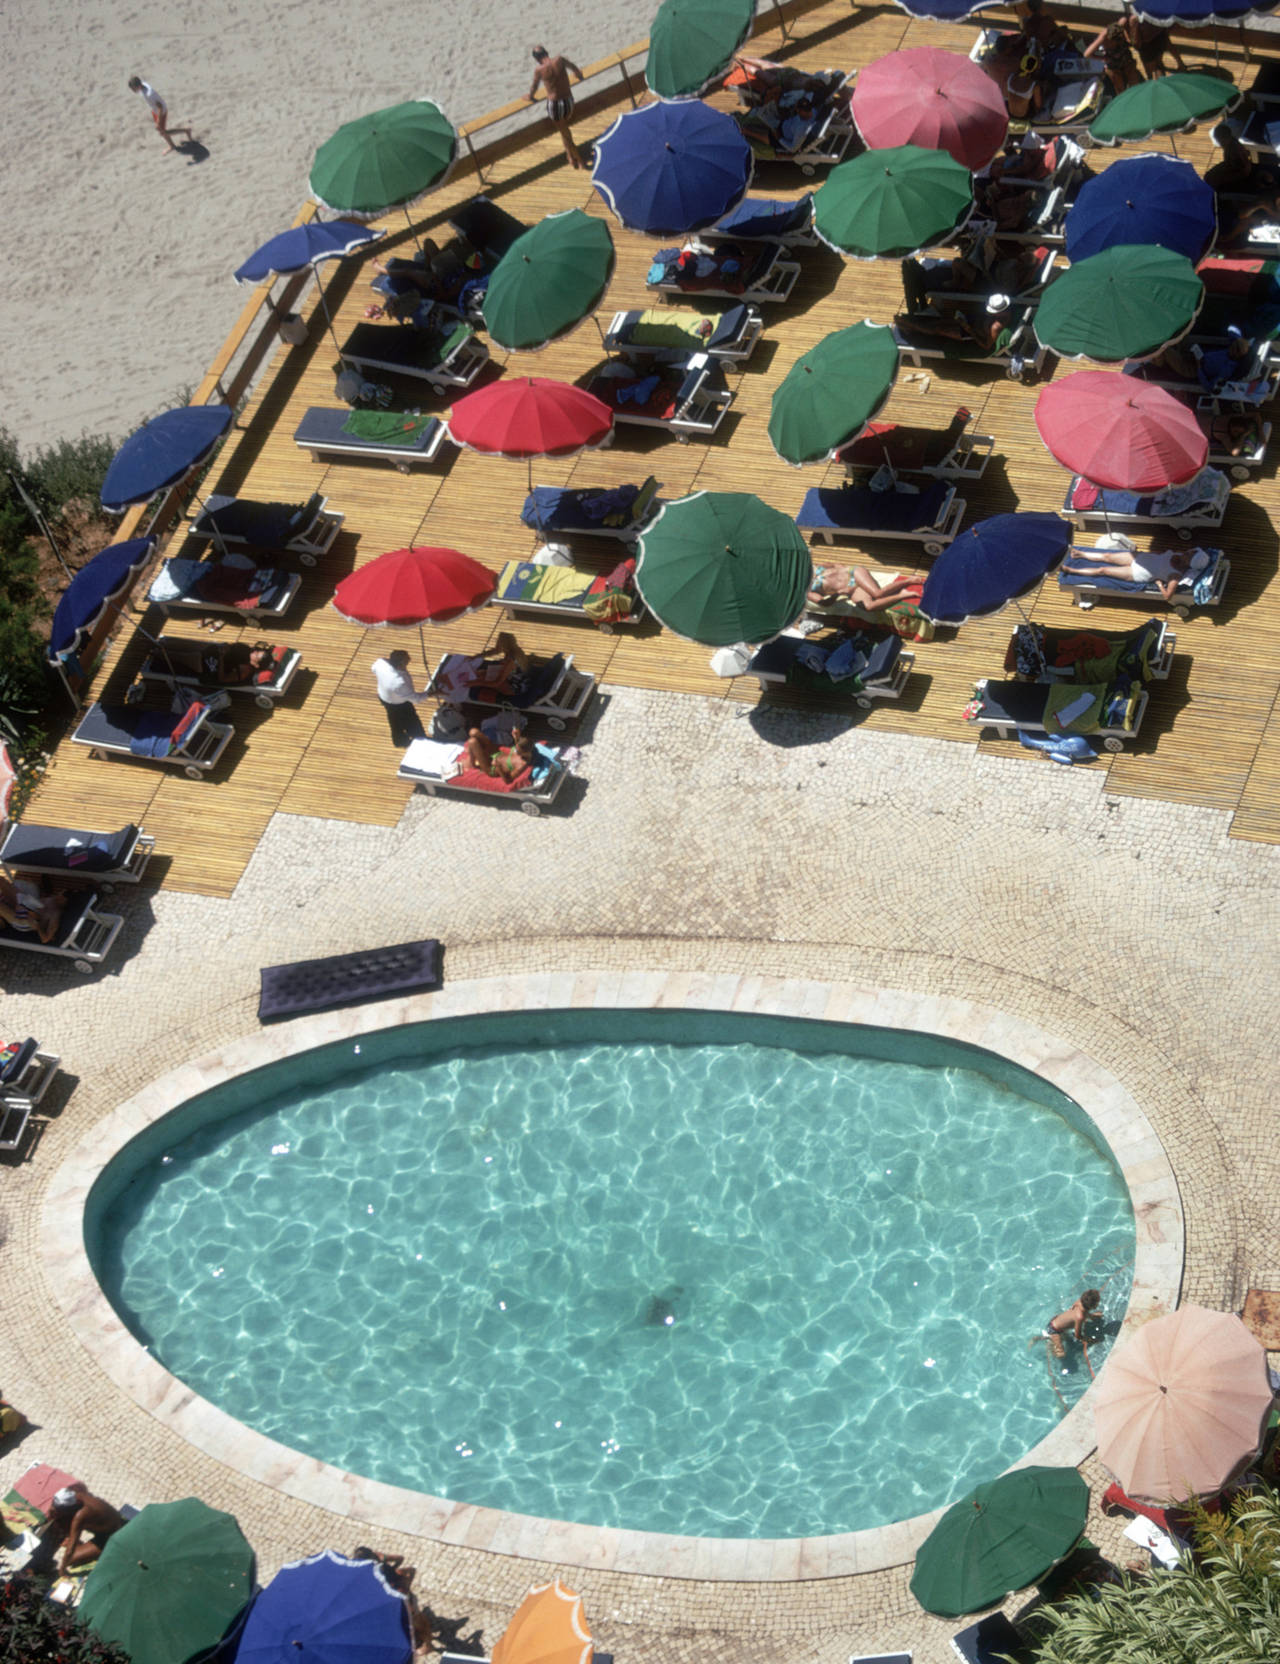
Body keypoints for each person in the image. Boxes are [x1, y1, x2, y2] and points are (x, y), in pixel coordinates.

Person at [1062, 545, 1211, 602]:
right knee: (1107, 555)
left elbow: (1168, 596)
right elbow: (1161, 553)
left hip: (1137, 572)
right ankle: (1080, 554)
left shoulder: (1175, 575)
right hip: (1140, 558)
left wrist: (1159, 584)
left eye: (1191, 553)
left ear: (1189, 562)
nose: (1190, 550)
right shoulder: (1180, 552)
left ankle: (1072, 570)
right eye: (1192, 550)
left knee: (1104, 570)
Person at [42, 1484, 127, 1571]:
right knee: (60, 1520)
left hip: (113, 1535)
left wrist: (62, 1570)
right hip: (112, 1523)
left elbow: (69, 1553)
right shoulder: (76, 1493)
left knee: (71, 1559)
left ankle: (79, 1544)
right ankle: (77, 1543)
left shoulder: (81, 1516)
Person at [526, 45, 584, 168]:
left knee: (565, 134)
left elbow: (534, 87)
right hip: (568, 101)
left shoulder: (539, 70)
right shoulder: (560, 60)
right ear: (547, 52)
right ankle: (569, 155)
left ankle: (579, 160)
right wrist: (579, 75)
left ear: (536, 59)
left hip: (555, 105)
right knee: (564, 131)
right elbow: (574, 67)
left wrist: (530, 96)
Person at [371, 650, 428, 747]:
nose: (410, 659)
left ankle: (399, 740)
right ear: (402, 663)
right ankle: (419, 741)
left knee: (394, 720)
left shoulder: (380, 663)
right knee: (412, 722)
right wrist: (430, 693)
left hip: (384, 697)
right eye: (407, 658)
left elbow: (373, 669)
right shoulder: (399, 682)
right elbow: (415, 699)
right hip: (399, 704)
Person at [127, 76, 193, 154]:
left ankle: (186, 130)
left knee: (163, 132)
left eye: (133, 88)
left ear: (138, 86)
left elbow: (160, 107)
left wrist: (158, 121)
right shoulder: (143, 85)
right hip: (155, 110)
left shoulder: (149, 94)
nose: (133, 90)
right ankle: (172, 145)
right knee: (162, 131)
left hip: (161, 112)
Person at [808, 566, 925, 611]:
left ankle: (908, 580)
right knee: (868, 607)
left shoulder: (812, 566)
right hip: (851, 589)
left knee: (878, 594)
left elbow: (837, 565)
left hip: (854, 574)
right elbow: (823, 603)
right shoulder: (804, 590)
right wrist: (838, 594)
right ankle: (902, 594)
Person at [0, 874, 67, 944]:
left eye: (62, 895)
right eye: (61, 893)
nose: (59, 894)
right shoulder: (53, 899)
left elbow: (45, 939)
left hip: (26, 920)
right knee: (2, 880)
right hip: (26, 904)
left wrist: (37, 925)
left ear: (64, 902)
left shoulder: (55, 915)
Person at [1036, 1289, 1101, 1359]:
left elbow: (1077, 1310)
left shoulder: (1079, 1302)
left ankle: (1046, 1338)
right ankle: (1049, 1344)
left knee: (1067, 1339)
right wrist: (1090, 1340)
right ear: (1093, 1306)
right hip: (1054, 1330)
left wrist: (1091, 1316)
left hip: (1055, 1321)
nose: (1098, 1303)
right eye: (1098, 1302)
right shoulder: (1080, 1318)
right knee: (1061, 1354)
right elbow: (1078, 1336)